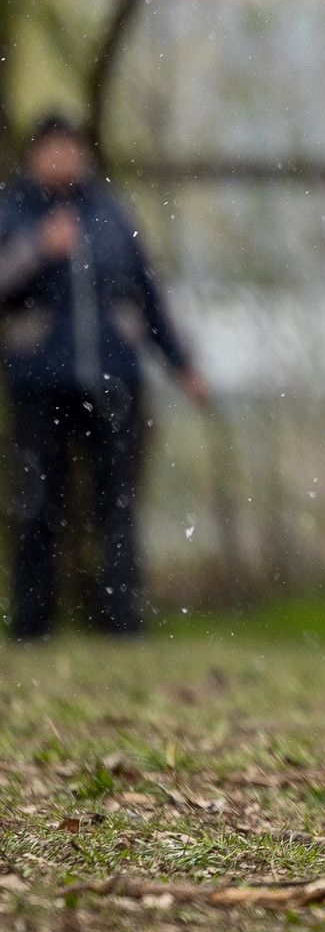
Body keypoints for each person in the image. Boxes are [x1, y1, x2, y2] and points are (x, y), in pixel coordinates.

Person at [0, 114, 208, 640]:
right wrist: (38, 251)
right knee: (38, 505)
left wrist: (181, 364)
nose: (61, 159)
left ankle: (122, 624)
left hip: (114, 380)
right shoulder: (12, 214)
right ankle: (32, 625)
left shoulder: (112, 214)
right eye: (50, 150)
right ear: (33, 156)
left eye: (69, 148)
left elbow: (148, 294)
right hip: (38, 382)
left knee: (116, 506)